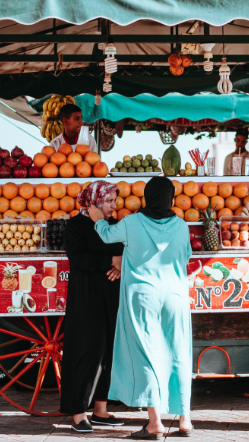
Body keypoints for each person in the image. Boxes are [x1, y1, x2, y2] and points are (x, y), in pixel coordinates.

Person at [92, 176, 194, 439]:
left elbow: (105, 236)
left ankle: (155, 423)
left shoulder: (132, 222)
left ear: (147, 197)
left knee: (147, 354)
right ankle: (185, 421)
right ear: (171, 198)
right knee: (179, 352)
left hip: (143, 297)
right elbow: (186, 256)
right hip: (175, 297)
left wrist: (97, 219)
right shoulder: (181, 226)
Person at [59, 181, 125, 434]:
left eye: (113, 201)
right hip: (86, 297)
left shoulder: (113, 226)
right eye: (109, 201)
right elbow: (79, 259)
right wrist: (111, 260)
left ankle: (100, 409)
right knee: (87, 351)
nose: (113, 206)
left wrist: (120, 266)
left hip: (111, 294)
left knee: (110, 351)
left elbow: (122, 252)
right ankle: (78, 413)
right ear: (94, 201)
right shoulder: (74, 226)